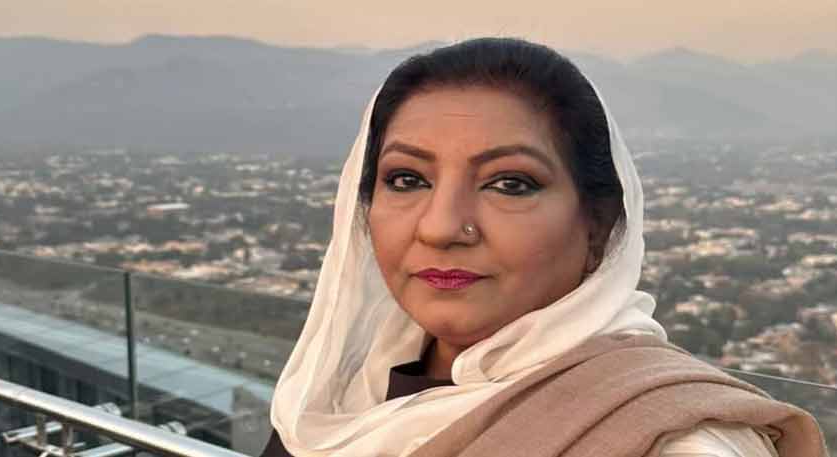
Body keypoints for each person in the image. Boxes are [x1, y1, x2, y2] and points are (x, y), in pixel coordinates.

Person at [262, 38, 827, 457]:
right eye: (407, 179)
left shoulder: (670, 438)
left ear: (599, 226)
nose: (440, 227)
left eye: (510, 184)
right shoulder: (338, 395)